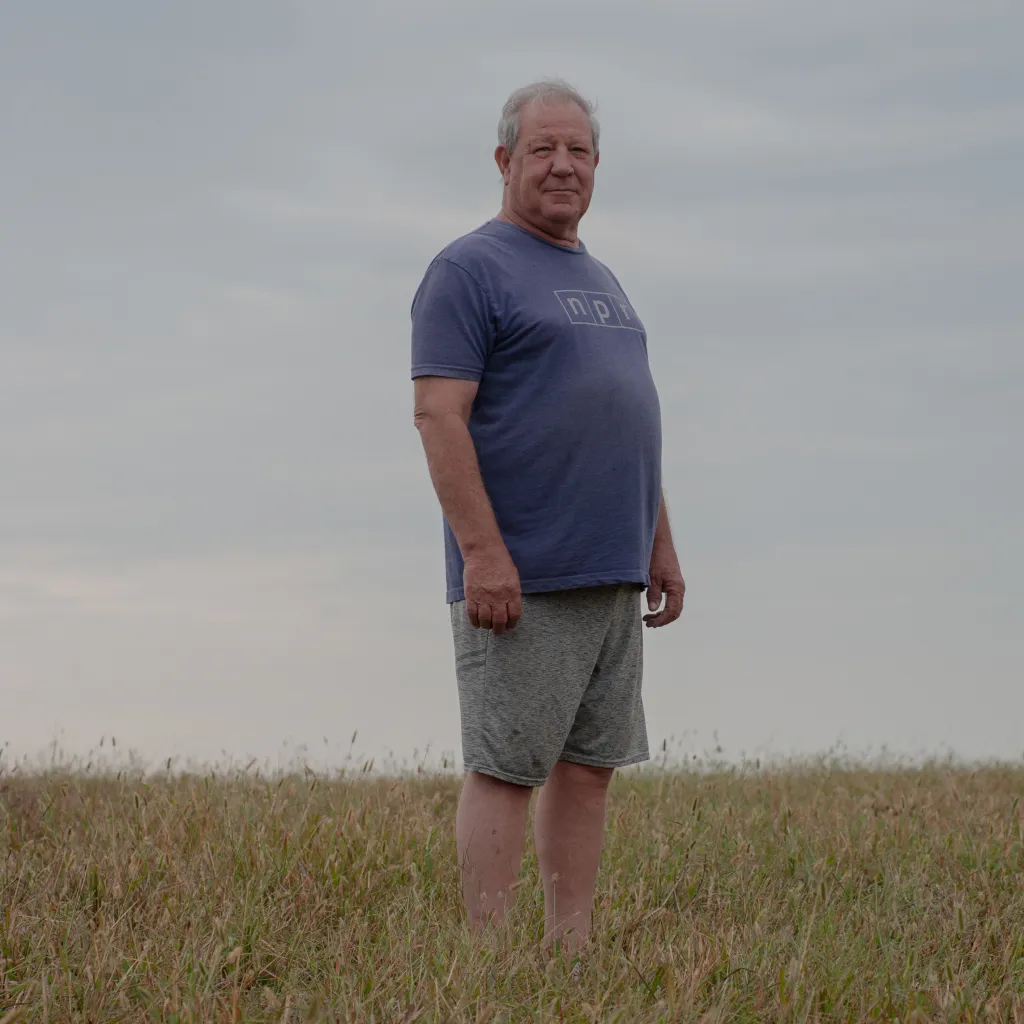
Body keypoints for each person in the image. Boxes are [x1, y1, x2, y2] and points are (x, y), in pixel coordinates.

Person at [410, 79, 685, 956]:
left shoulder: (600, 278)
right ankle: (489, 964)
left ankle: (571, 952)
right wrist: (482, 554)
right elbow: (437, 415)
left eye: (579, 152)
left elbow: (626, 416)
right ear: (505, 161)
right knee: (506, 766)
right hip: (524, 574)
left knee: (590, 768)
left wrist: (661, 547)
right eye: (543, 149)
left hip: (612, 571)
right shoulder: (469, 269)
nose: (563, 166)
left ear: (597, 166)